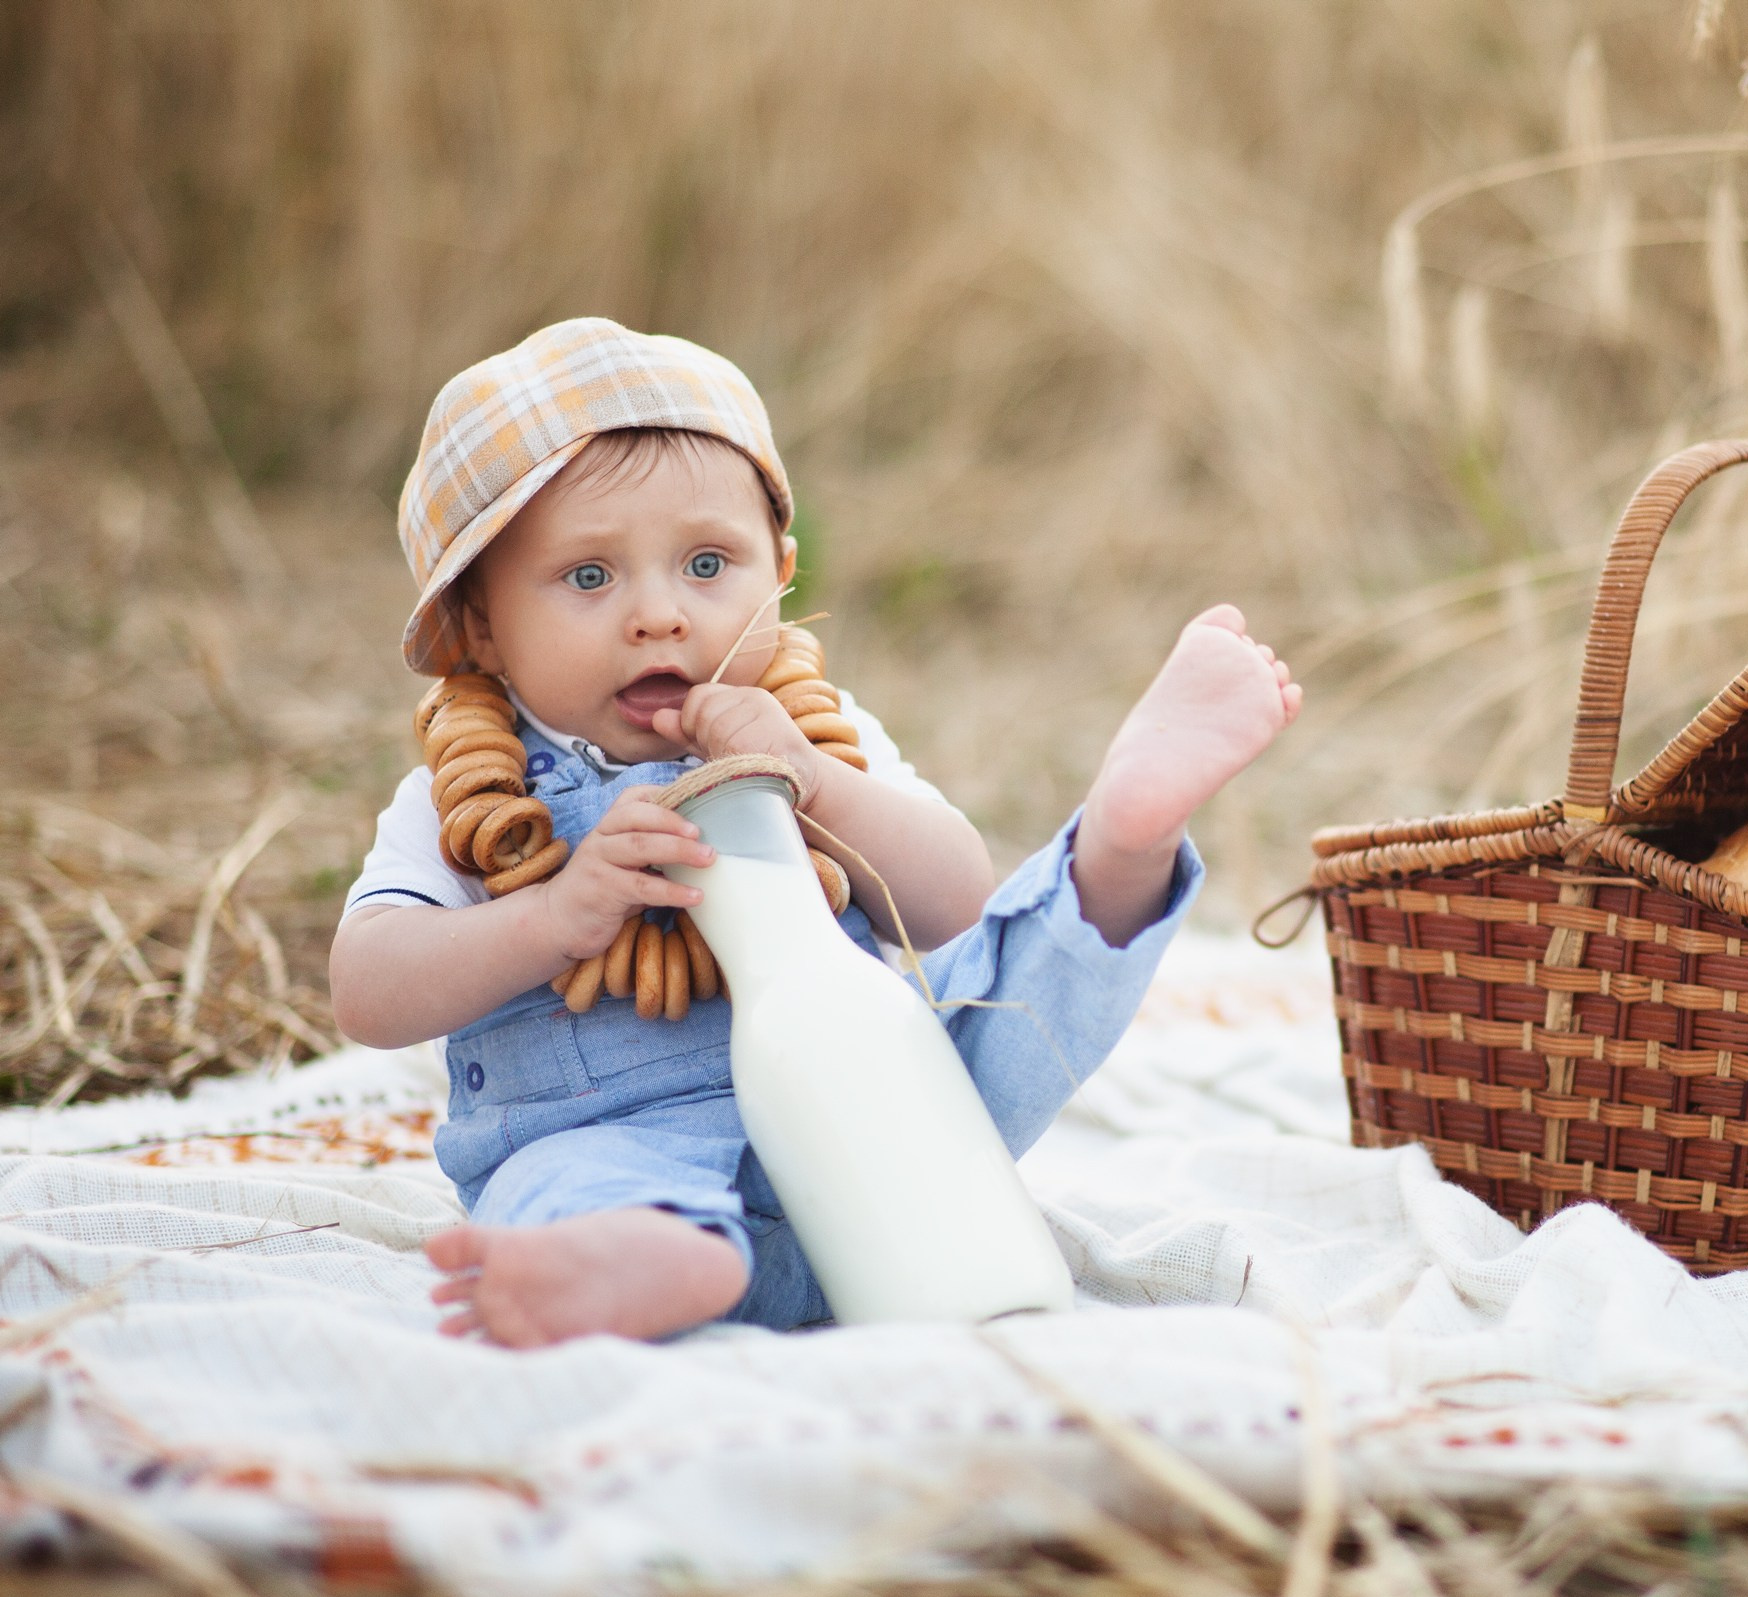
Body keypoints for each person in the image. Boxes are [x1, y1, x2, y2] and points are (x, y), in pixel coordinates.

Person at [329, 318, 1299, 1348]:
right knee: (556, 1185)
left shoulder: (815, 730)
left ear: (781, 569)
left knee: (994, 982)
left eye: (707, 563)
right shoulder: (471, 796)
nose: (658, 613)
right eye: (589, 577)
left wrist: (814, 782)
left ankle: (1119, 847)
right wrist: (551, 917)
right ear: (478, 624)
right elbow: (370, 988)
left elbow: (951, 900)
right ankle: (656, 1255)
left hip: (884, 1123)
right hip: (622, 1144)